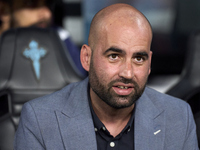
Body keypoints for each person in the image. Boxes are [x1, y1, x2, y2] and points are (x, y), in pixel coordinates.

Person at [14, 3, 199, 150]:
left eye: (139, 58)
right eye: (114, 56)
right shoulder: (39, 120)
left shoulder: (178, 117)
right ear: (86, 58)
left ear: (149, 63)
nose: (127, 73)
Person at [1, 0, 87, 77]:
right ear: (4, 10)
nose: (47, 14)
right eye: (31, 3)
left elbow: (78, 80)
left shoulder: (60, 37)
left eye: (48, 4)